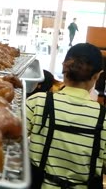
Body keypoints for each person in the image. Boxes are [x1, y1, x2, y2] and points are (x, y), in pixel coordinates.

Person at [26, 43, 106, 188]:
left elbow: (8, 138)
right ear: (97, 75)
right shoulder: (104, 118)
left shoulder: (38, 102)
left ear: (64, 69)